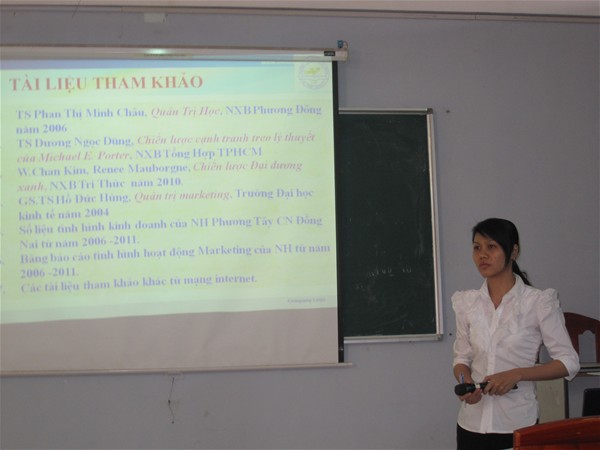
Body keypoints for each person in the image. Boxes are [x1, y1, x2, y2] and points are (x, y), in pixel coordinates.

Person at [451, 218, 579, 450]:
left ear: (514, 251)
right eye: (477, 247)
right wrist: (466, 383)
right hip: (470, 425)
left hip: (517, 425)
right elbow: (461, 359)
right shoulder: (467, 303)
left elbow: (568, 362)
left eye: (491, 247)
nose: (482, 255)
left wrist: (517, 374)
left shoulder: (538, 302)